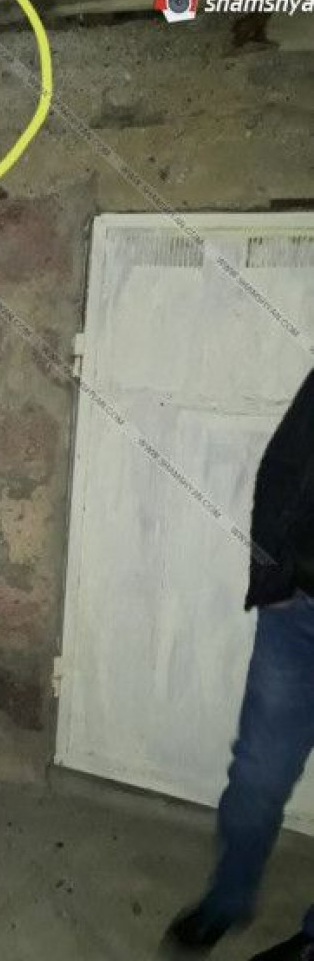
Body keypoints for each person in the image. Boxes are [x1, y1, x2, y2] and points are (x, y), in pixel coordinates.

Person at [163, 368, 314, 960]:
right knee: (256, 778)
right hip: (299, 614)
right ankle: (228, 899)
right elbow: (283, 467)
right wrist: (273, 582)